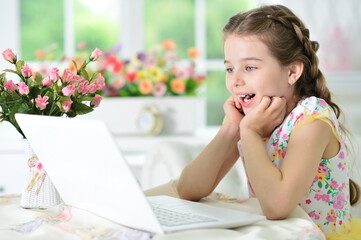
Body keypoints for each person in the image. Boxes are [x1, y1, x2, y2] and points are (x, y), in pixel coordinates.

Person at [176, 4, 361, 239]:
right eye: (230, 69)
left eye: (250, 67)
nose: (235, 81)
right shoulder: (247, 117)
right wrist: (231, 128)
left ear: (292, 72)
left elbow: (276, 207)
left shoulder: (313, 119)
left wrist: (250, 133)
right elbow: (188, 190)